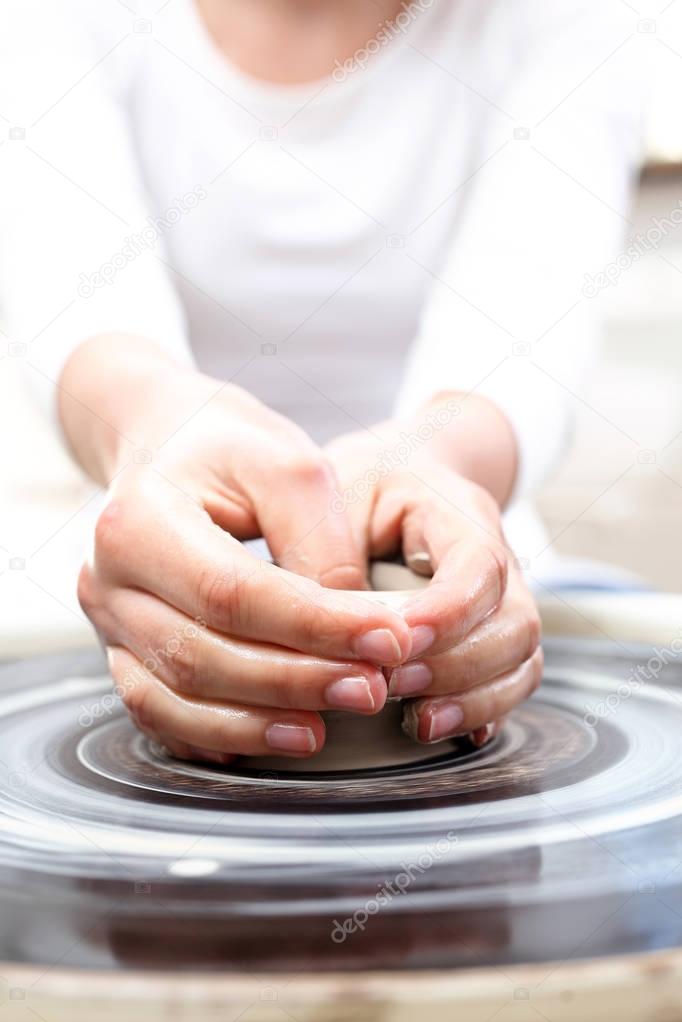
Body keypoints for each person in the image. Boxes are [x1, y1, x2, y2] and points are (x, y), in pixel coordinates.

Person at [0, 0, 646, 762]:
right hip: (143, 580)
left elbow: (521, 331)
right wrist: (156, 429)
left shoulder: (574, 17)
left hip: (466, 561)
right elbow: (84, 307)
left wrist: (436, 461)